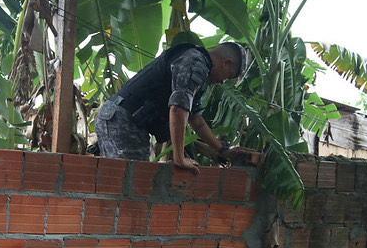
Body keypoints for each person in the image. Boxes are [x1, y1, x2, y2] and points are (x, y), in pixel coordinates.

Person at [95, 41, 251, 174]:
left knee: (131, 180)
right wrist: (179, 158)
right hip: (122, 119)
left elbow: (195, 120)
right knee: (132, 180)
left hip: (126, 121)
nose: (223, 82)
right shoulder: (194, 62)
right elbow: (178, 108)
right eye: (228, 76)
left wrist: (224, 151)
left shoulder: (201, 73)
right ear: (226, 62)